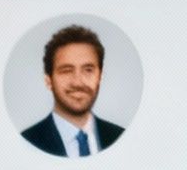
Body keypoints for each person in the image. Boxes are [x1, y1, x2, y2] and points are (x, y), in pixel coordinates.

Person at [20, 24, 124, 158]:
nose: (77, 82)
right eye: (66, 71)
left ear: (100, 77)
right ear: (48, 80)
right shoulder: (26, 143)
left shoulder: (121, 136)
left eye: (88, 70)